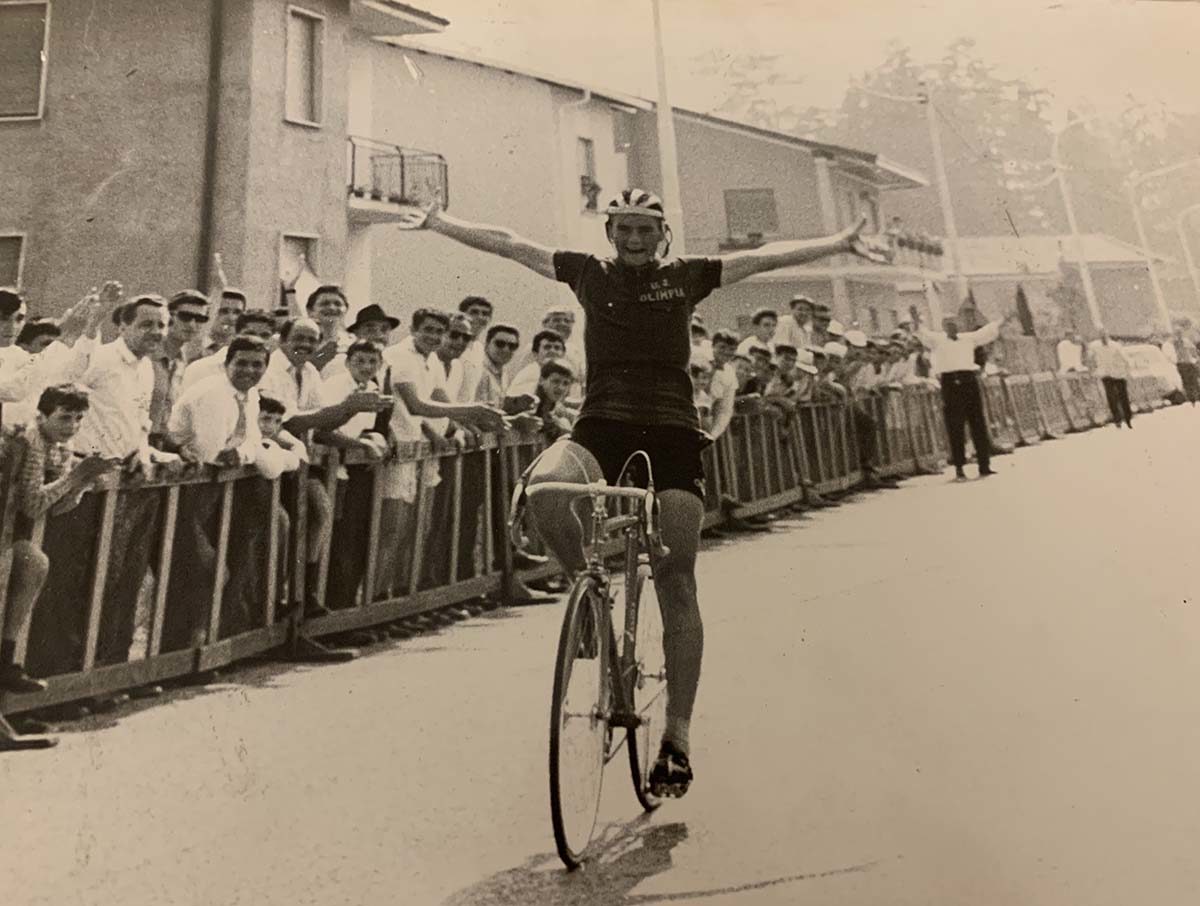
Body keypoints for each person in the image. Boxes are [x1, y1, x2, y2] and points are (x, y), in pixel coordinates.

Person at [408, 187, 888, 797]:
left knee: (677, 577)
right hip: (601, 423)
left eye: (645, 230)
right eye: (624, 229)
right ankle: (586, 590)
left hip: (672, 430)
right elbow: (511, 244)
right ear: (611, 232)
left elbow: (765, 258)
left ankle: (678, 739)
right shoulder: (586, 273)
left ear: (661, 234)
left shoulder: (686, 276)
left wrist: (837, 242)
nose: (634, 240)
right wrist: (441, 222)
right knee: (548, 490)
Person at [915, 311, 1003, 480]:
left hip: (969, 380)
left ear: (959, 325)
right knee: (955, 425)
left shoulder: (968, 338)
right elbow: (922, 333)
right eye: (948, 324)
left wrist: (1000, 320)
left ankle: (984, 465)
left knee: (978, 423)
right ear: (943, 327)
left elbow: (986, 332)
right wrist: (916, 320)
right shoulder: (937, 340)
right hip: (950, 382)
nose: (952, 327)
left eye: (954, 324)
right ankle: (959, 467)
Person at [1089, 331, 1134, 428]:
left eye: (1105, 337)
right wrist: (1092, 369)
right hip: (1106, 374)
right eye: (1101, 337)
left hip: (1119, 373)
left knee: (1123, 396)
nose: (1103, 339)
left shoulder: (1116, 346)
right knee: (1111, 397)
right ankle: (1117, 419)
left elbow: (1125, 357)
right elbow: (1090, 358)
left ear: (1108, 337)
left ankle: (1128, 418)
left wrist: (1129, 369)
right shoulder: (1094, 346)